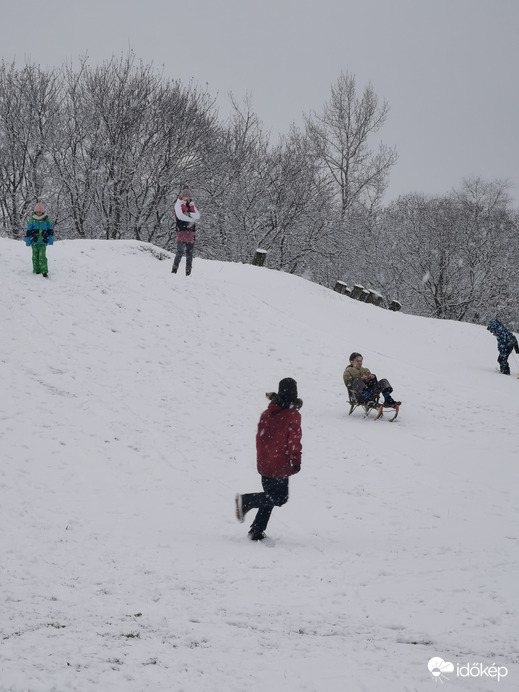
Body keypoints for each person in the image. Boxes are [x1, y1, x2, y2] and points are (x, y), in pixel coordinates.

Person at [235, 378, 303, 541]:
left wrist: (264, 458)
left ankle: (257, 530)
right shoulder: (292, 415)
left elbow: (261, 439)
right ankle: (246, 501)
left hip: (265, 462)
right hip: (279, 464)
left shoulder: (267, 413)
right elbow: (294, 440)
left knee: (269, 496)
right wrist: (296, 461)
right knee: (280, 498)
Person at [171, 188, 201, 276]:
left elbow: (198, 216)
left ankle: (188, 273)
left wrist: (188, 214)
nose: (186, 198)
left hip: (191, 231)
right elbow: (180, 216)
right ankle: (174, 270)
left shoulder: (191, 204)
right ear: (182, 196)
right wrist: (192, 219)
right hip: (181, 230)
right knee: (179, 251)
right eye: (184, 196)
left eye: (187, 196)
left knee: (189, 253)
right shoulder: (178, 204)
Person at [25, 203, 54, 277]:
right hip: (34, 241)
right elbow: (28, 230)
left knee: (42, 256)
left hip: (43, 242)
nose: (38, 213)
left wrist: (50, 239)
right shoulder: (32, 219)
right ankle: (36, 270)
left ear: (42, 212)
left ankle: (44, 271)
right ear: (35, 212)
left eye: (40, 212)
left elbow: (50, 230)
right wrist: (27, 240)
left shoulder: (46, 219)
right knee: (35, 256)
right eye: (37, 212)